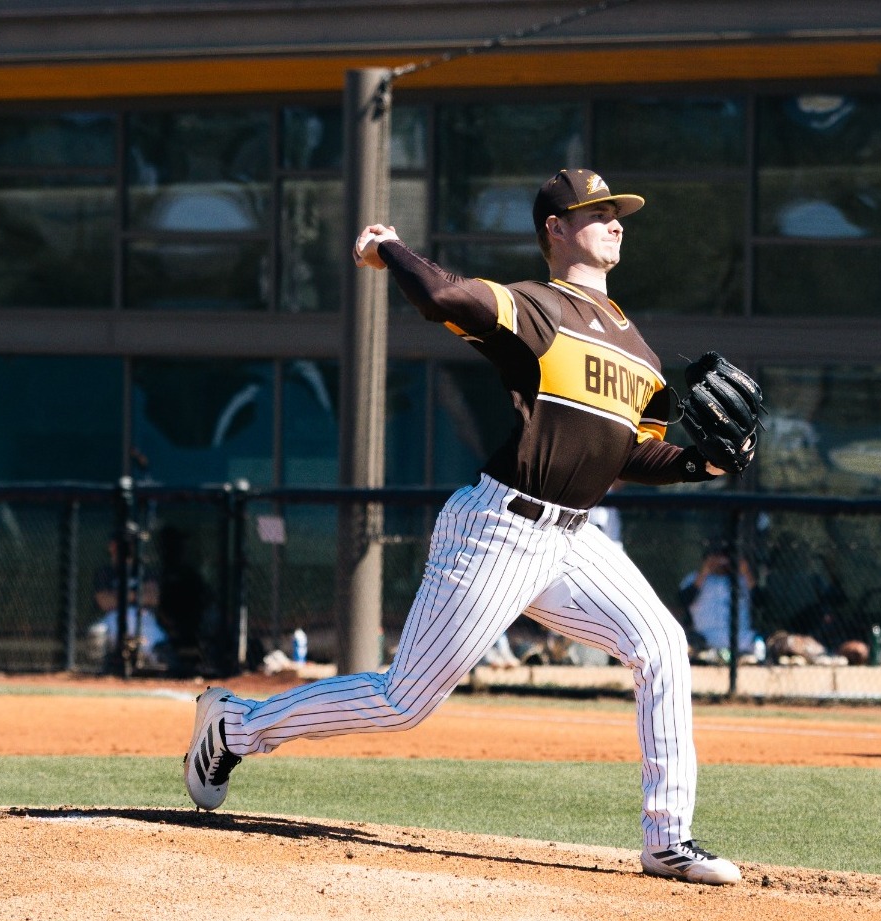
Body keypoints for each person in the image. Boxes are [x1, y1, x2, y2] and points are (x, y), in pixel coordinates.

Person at [183, 168, 745, 884]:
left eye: (618, 213)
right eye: (598, 212)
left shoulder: (639, 349)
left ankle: (668, 838)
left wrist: (705, 466)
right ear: (556, 228)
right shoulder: (537, 307)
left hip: (574, 538)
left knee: (663, 644)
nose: (616, 222)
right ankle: (234, 726)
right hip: (500, 529)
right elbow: (445, 295)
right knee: (403, 702)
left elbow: (629, 452)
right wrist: (390, 248)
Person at [92, 534, 178, 676]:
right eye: (120, 545)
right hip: (113, 618)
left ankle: (162, 676)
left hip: (143, 619)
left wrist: (120, 596)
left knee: (159, 647)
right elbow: (105, 602)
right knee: (96, 634)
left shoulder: (144, 571)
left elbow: (153, 598)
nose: (126, 548)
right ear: (112, 546)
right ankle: (100, 676)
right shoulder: (105, 572)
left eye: (130, 544)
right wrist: (136, 594)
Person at [678, 546, 759, 660]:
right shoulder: (694, 578)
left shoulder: (742, 579)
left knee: (759, 643)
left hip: (741, 638)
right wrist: (705, 571)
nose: (721, 563)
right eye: (717, 558)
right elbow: (683, 601)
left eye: (725, 559)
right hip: (705, 638)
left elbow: (760, 602)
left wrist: (746, 572)